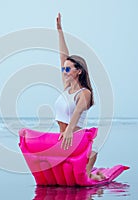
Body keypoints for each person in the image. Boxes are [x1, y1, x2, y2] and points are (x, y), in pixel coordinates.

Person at [55, 13, 105, 181]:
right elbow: (63, 56)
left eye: (68, 69)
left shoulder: (85, 93)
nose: (65, 71)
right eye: (64, 69)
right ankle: (91, 172)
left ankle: (93, 174)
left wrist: (69, 130)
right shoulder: (66, 86)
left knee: (83, 176)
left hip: (76, 140)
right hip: (63, 139)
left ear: (79, 71)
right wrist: (60, 31)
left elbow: (76, 113)